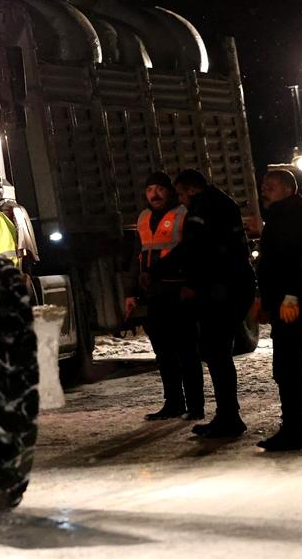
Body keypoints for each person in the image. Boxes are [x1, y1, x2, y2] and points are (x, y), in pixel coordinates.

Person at [160, 169, 256, 439]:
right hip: (230, 285)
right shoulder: (220, 202)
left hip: (222, 288)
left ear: (191, 189)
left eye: (180, 194)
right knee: (217, 352)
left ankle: (229, 417)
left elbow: (198, 251)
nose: (180, 200)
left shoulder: (205, 208)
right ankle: (228, 415)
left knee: (216, 352)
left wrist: (173, 275)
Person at [124, 172, 203, 421]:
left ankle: (195, 405)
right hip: (155, 294)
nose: (154, 194)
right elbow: (138, 257)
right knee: (164, 353)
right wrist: (131, 292)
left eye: (159, 189)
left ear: (170, 191)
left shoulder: (183, 214)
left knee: (187, 352)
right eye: (149, 190)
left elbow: (194, 252)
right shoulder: (144, 218)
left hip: (179, 293)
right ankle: (173, 403)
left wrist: (193, 284)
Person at [255, 168, 302, 451]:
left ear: (286, 189)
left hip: (293, 301)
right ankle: (293, 427)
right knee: (286, 368)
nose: (263, 190)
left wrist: (291, 296)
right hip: (283, 300)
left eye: (270, 186)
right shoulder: (283, 215)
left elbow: (299, 258)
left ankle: (295, 430)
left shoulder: (295, 217)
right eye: (263, 185)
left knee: (290, 368)